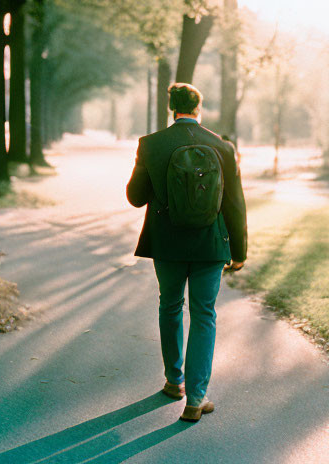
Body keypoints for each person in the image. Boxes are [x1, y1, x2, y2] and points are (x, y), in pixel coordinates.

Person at [126, 82, 247, 422]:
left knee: (170, 306)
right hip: (210, 244)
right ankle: (196, 398)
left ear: (171, 108)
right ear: (199, 108)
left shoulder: (150, 145)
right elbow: (235, 203)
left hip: (167, 243)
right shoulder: (222, 147)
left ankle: (173, 380)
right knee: (204, 314)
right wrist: (239, 251)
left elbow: (135, 197)